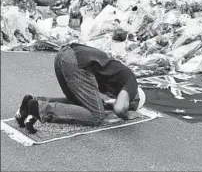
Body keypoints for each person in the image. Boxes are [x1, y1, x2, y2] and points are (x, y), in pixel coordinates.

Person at [15, 43, 146, 134]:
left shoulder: (117, 79)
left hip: (64, 55)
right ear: (134, 99)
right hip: (76, 63)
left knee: (79, 103)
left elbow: (95, 95)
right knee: (96, 116)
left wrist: (106, 101)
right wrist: (127, 114)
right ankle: (40, 108)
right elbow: (120, 108)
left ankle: (30, 103)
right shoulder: (132, 83)